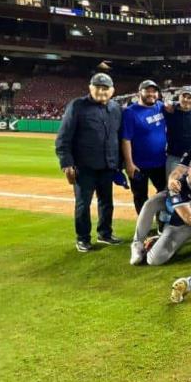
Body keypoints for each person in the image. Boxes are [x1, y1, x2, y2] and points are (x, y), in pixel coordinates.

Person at [55, 72, 123, 252]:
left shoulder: (116, 108)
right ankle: (83, 238)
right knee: (83, 204)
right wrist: (66, 163)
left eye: (105, 88)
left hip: (108, 166)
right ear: (90, 88)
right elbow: (63, 138)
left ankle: (105, 233)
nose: (101, 91)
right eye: (98, 87)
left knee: (106, 202)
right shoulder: (77, 106)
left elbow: (118, 137)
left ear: (112, 91)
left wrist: (119, 164)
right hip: (84, 167)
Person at [121, 79, 168, 214]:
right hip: (138, 164)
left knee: (164, 193)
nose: (151, 94)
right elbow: (126, 139)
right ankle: (143, 229)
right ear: (139, 92)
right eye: (147, 91)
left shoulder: (160, 106)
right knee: (140, 196)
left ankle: (161, 222)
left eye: (154, 91)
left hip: (159, 162)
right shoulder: (130, 112)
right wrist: (129, 164)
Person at [162, 86, 191, 178]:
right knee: (172, 186)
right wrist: (169, 103)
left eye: (190, 97)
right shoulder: (170, 110)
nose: (186, 100)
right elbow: (162, 104)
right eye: (183, 96)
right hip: (174, 157)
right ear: (179, 97)